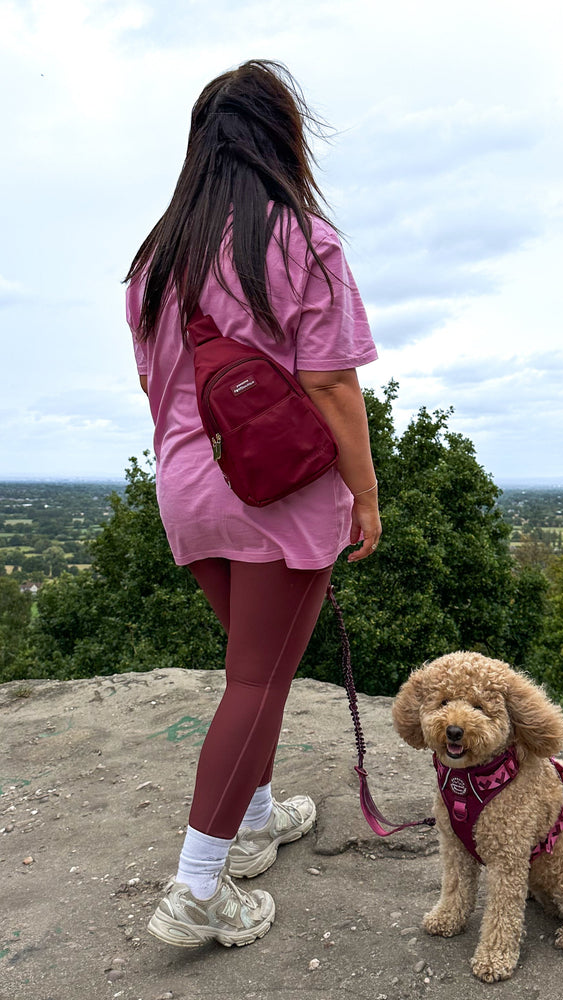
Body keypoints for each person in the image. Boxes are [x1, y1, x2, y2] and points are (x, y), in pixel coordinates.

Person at [124, 60, 380, 949]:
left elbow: (158, 390)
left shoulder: (152, 263)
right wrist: (365, 494)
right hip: (279, 496)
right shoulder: (304, 242)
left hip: (190, 494)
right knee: (256, 680)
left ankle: (260, 815)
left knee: (253, 671)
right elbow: (333, 387)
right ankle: (197, 888)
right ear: (283, 140)